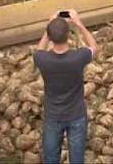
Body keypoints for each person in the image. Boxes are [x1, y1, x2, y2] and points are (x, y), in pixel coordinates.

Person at [34, 9, 97, 164]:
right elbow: (94, 46)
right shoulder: (79, 57)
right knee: (77, 159)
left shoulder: (42, 59)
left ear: (50, 37)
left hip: (53, 116)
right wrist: (79, 24)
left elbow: (39, 50)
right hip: (76, 115)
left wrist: (49, 26)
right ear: (68, 35)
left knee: (51, 158)